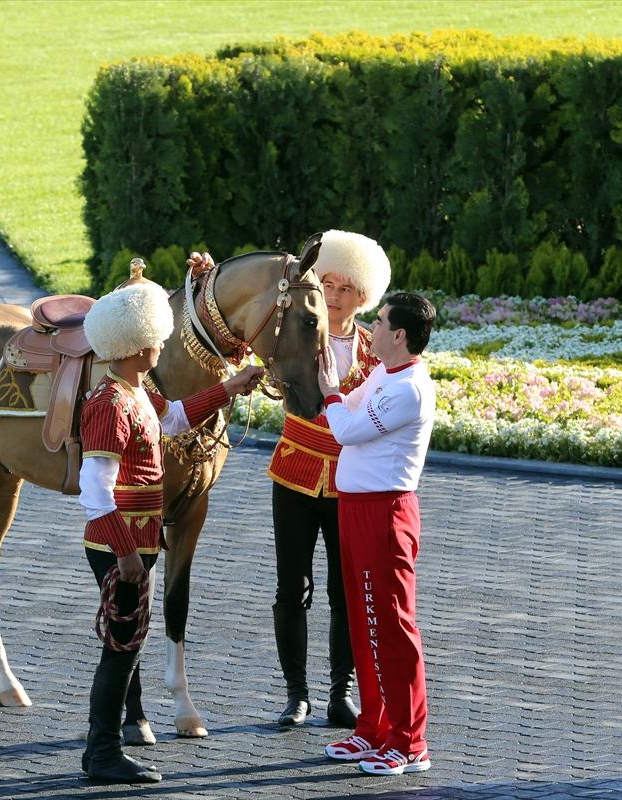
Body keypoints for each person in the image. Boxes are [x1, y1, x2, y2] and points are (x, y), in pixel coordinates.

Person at [78, 261, 263, 784]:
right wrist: (127, 554)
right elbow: (95, 490)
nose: (163, 344)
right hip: (122, 547)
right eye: (156, 338)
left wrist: (231, 388)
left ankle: (100, 752)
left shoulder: (137, 392)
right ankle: (104, 753)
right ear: (138, 346)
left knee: (126, 643)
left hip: (136, 543)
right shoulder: (110, 405)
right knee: (121, 648)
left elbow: (175, 416)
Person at [262, 231, 390, 728]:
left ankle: (342, 692)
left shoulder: (374, 352)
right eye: (328, 285)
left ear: (364, 298)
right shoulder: (293, 332)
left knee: (347, 591)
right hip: (293, 475)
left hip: (350, 485)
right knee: (291, 588)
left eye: (346, 290)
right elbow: (237, 335)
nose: (334, 298)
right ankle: (296, 694)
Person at [318, 292, 438, 777]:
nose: (374, 325)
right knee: (365, 625)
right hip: (357, 510)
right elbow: (346, 410)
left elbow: (344, 427)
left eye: (382, 320)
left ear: (400, 335)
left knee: (391, 627)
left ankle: (410, 744)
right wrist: (333, 396)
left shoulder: (407, 388)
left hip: (385, 516)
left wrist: (327, 391)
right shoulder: (383, 374)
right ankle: (374, 728)